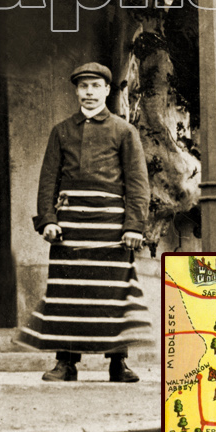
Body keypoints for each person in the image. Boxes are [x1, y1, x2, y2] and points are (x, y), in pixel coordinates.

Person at [18, 62, 150, 382]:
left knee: (112, 292)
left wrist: (134, 225)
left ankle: (118, 362)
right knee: (68, 292)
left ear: (107, 90)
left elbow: (137, 183)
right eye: (83, 87)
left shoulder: (124, 131)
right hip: (71, 226)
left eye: (95, 86)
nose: (89, 92)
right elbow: (47, 179)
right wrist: (48, 219)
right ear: (76, 91)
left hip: (112, 226)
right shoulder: (61, 130)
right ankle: (66, 362)